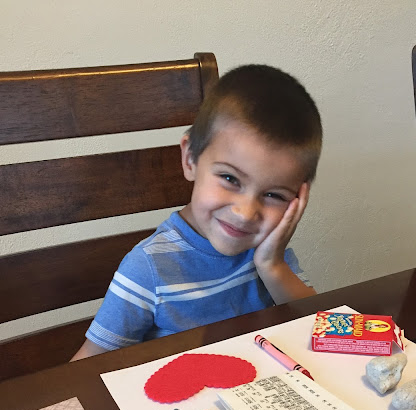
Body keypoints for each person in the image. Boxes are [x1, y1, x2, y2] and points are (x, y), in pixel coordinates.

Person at [71, 64, 322, 360]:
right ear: (190, 159)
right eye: (230, 178)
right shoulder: (148, 268)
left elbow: (319, 328)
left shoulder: (270, 255)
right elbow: (87, 365)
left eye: (274, 195)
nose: (245, 213)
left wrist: (272, 265)